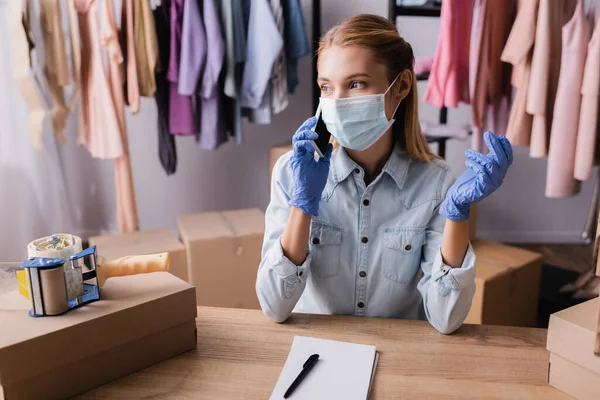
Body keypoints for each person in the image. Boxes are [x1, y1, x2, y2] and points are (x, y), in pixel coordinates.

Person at [256, 14, 513, 334]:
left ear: (401, 86)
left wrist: (457, 214)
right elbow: (275, 306)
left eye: (356, 83)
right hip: (319, 352)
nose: (337, 101)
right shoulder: (292, 174)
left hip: (401, 358)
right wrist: (303, 204)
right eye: (327, 87)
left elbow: (446, 319)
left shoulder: (436, 183)